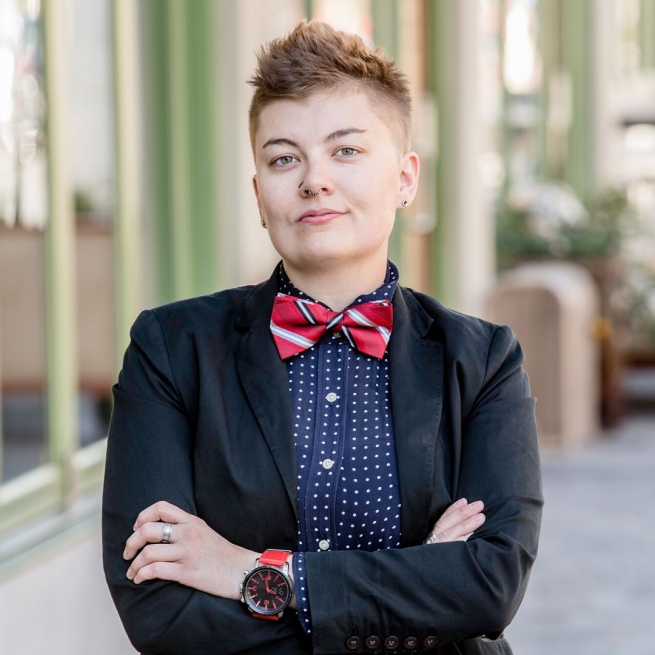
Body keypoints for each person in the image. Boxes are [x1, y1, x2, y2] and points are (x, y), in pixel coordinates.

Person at [101, 18, 544, 655]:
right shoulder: (171, 349)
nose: (314, 180)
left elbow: (489, 587)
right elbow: (159, 613)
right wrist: (419, 590)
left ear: (405, 179)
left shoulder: (483, 359)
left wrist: (250, 573)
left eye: (346, 150)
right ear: (259, 195)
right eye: (284, 158)